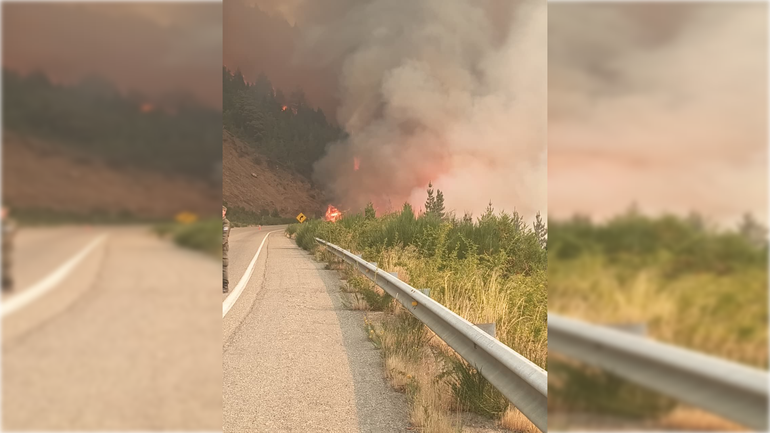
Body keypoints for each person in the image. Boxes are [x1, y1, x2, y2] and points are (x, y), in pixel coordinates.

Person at [0, 205, 16, 291]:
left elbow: (7, 236)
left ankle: (7, 284)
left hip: (4, 249)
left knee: (2, 266)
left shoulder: (8, 224)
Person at [222, 205, 230, 294]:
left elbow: (224, 237)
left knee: (223, 266)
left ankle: (225, 286)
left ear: (224, 212)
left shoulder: (225, 223)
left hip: (222, 248)